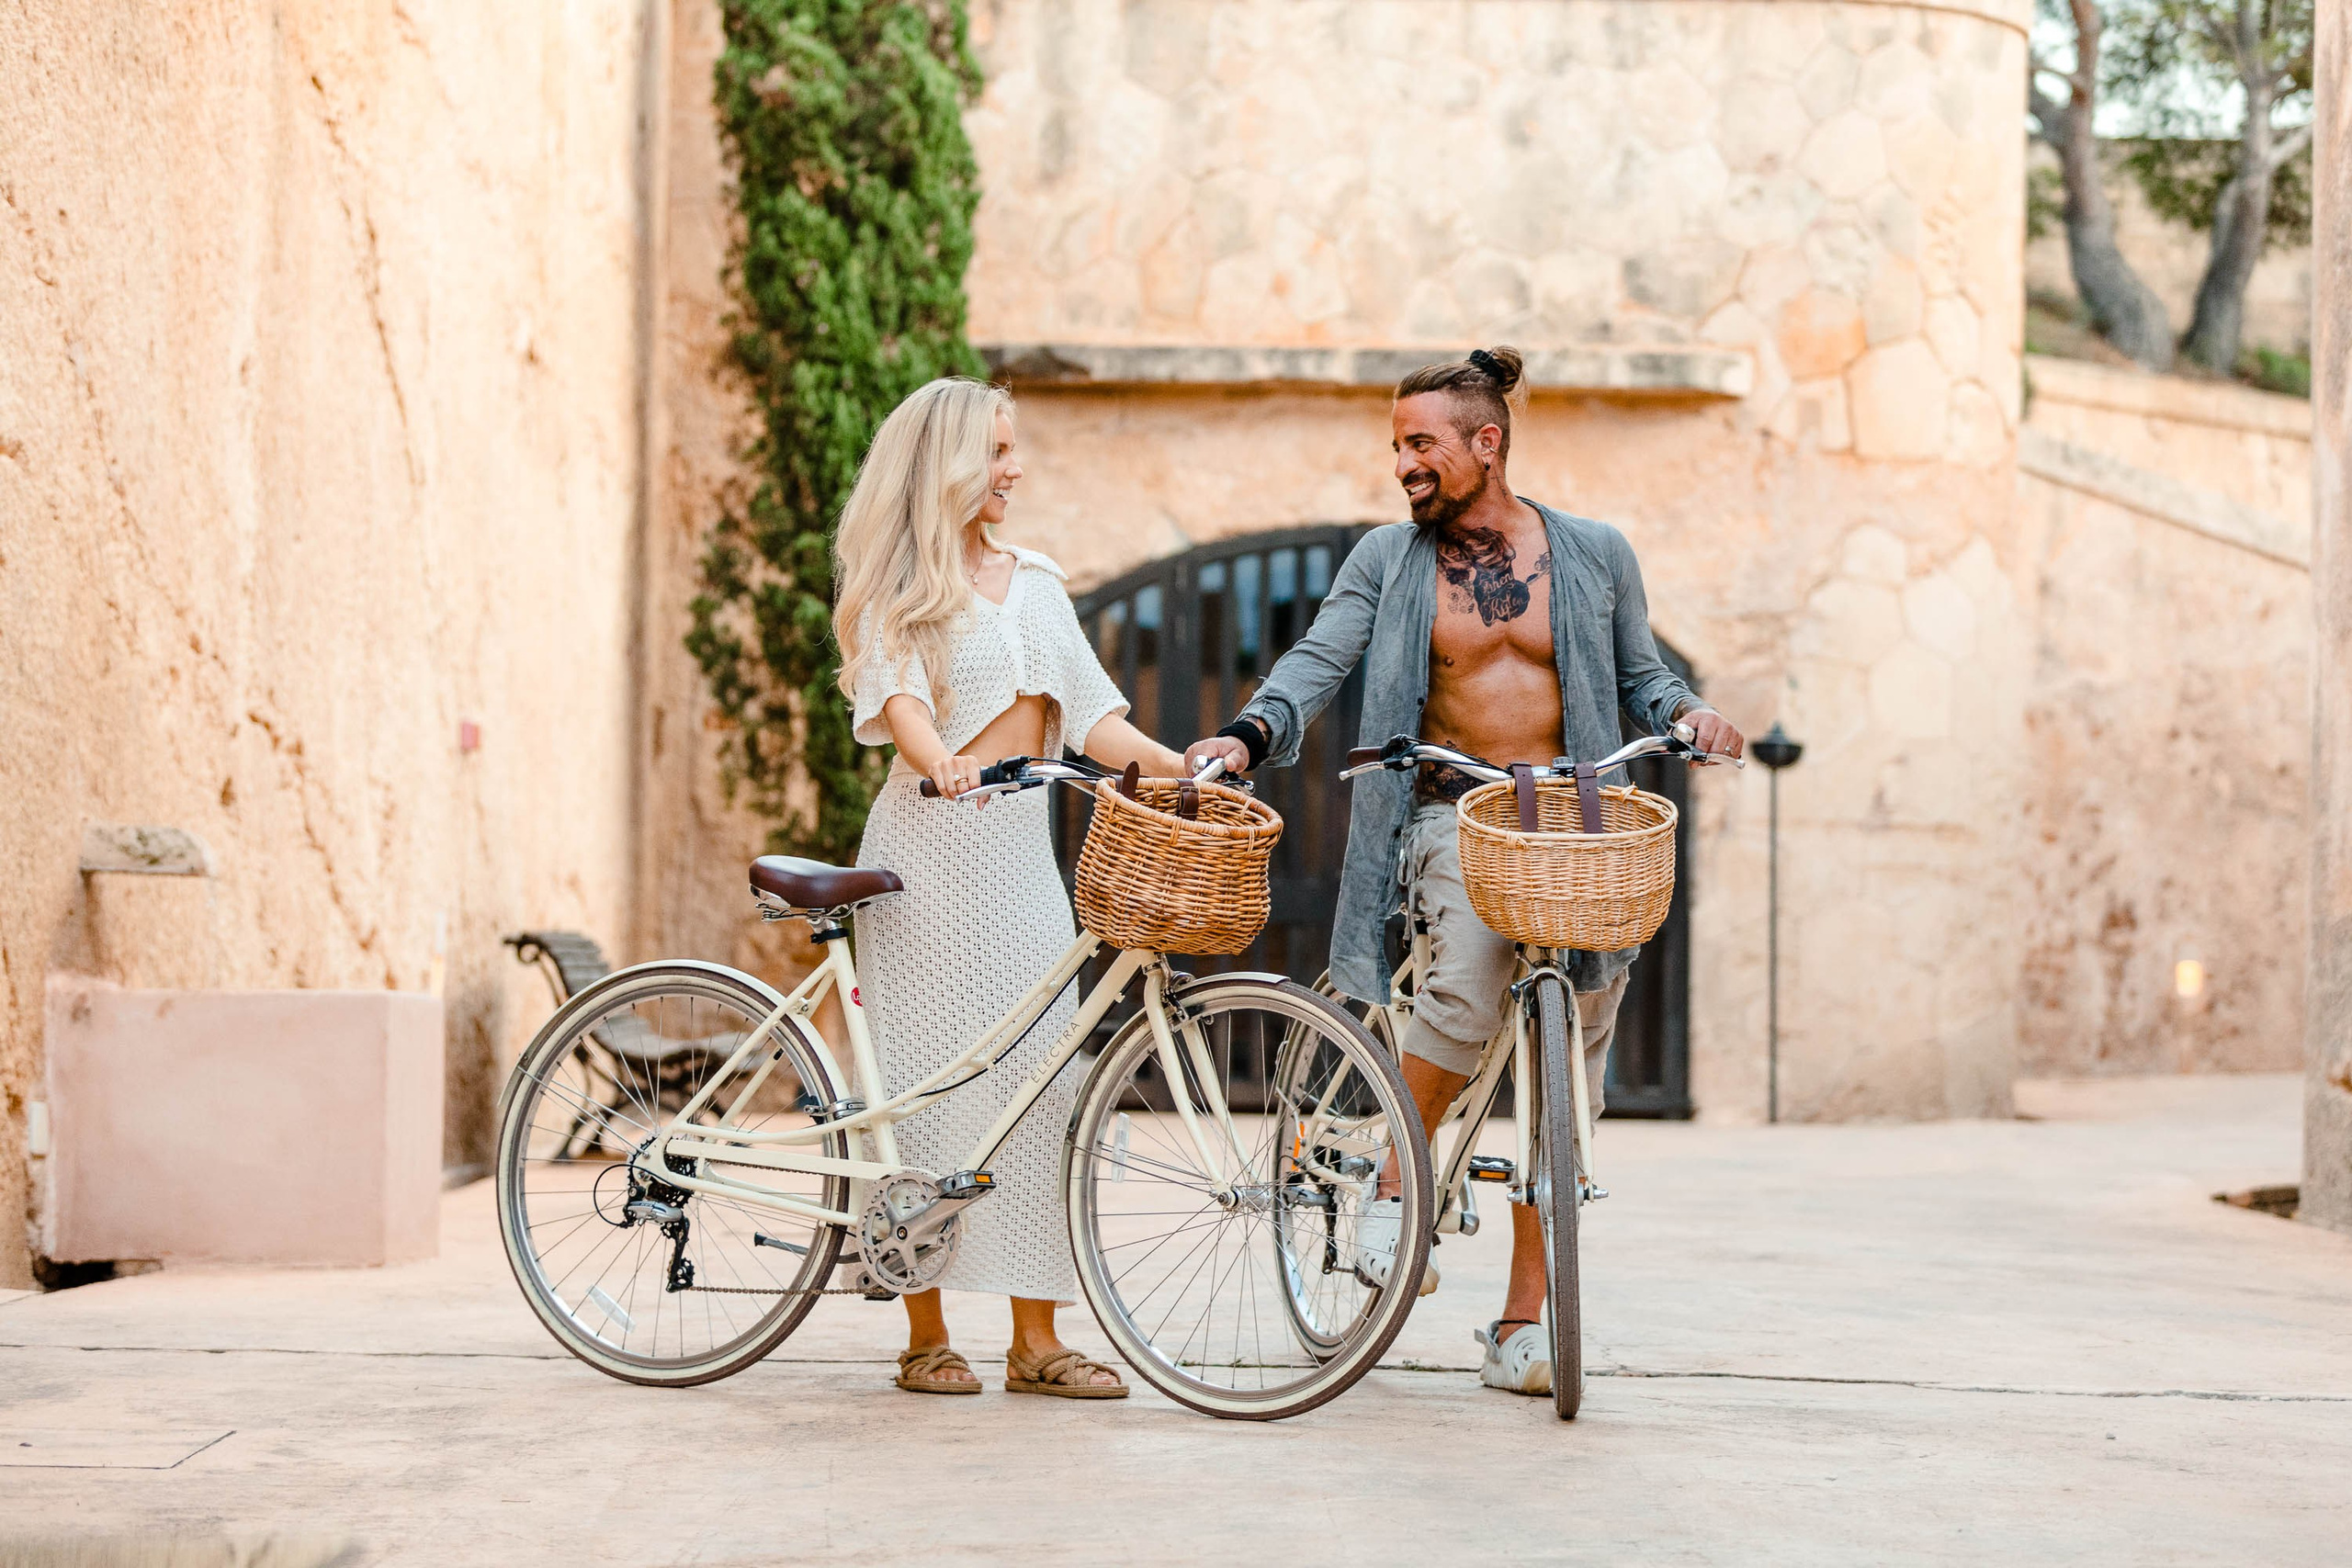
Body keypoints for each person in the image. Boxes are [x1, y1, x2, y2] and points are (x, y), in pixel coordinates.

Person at [1184, 346, 1744, 1395]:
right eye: (1397, 444)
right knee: (1469, 978)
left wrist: (1685, 716)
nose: (1403, 463)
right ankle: (1400, 1175)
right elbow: (1320, 657)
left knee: (1567, 1076)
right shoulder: (1387, 562)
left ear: (1486, 444)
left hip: (1573, 819)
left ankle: (1522, 1326)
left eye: (1420, 443)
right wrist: (1250, 733)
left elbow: (1641, 673)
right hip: (1449, 811)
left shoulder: (1592, 553)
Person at [835, 377, 1188, 1397]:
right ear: (946, 464)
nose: (1013, 468)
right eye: (995, 451)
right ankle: (923, 1330)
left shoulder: (1036, 582)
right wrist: (937, 756)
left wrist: (1178, 762)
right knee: (925, 1091)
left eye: (1013, 448)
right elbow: (894, 693)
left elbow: (1093, 719)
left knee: (1043, 1090)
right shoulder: (906, 585)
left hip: (1022, 870)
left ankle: (1036, 1342)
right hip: (927, 857)